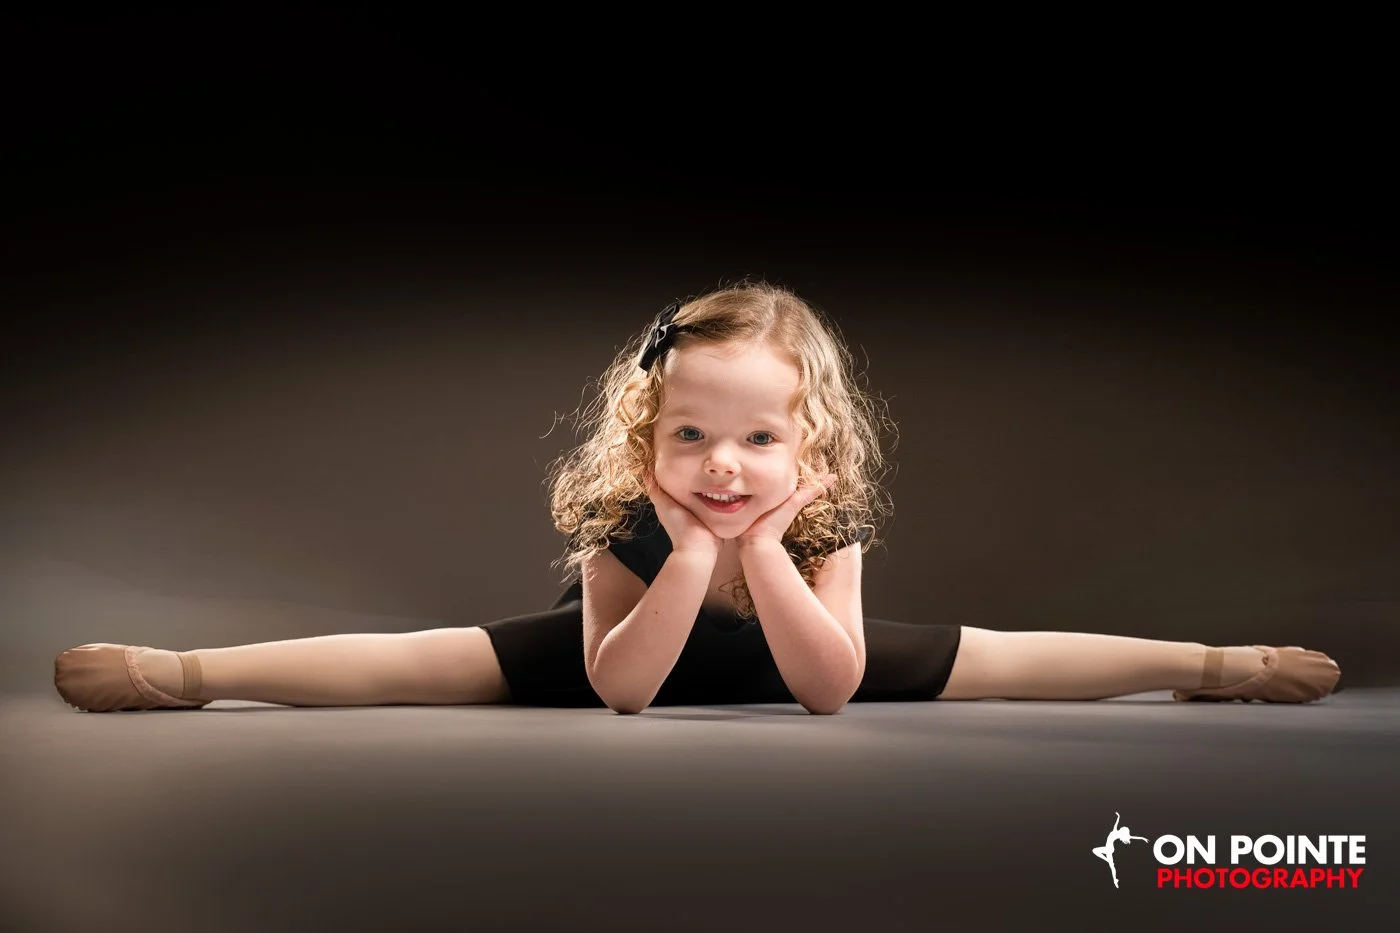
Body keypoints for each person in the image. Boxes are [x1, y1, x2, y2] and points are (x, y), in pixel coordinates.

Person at [53, 282, 1341, 715]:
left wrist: (771, 547)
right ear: (647, 438)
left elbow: (829, 689)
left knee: (994, 660)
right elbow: (622, 689)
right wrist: (682, 551)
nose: (724, 467)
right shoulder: (630, 517)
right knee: (421, 663)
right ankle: (192, 671)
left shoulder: (820, 521)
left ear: (810, 446)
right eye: (692, 437)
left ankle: (1213, 661)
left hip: (794, 652)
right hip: (619, 649)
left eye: (759, 440)